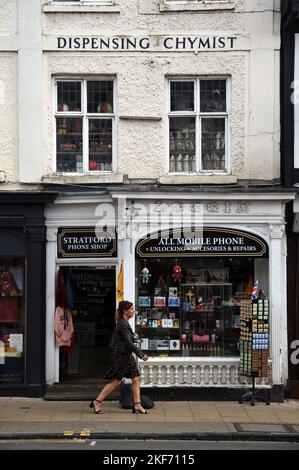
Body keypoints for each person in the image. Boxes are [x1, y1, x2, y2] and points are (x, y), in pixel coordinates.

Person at [89, 300, 150, 415]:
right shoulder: (122, 324)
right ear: (125, 311)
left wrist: (134, 339)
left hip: (125, 355)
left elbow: (127, 339)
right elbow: (128, 343)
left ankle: (137, 405)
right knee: (116, 381)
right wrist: (141, 355)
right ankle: (97, 401)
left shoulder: (124, 323)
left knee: (136, 379)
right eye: (131, 309)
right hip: (121, 356)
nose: (133, 311)